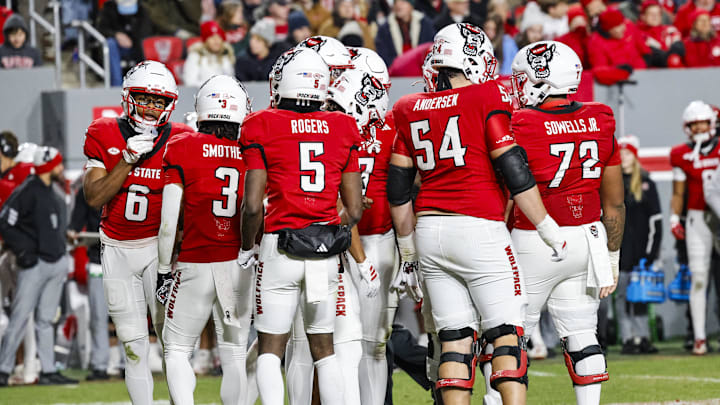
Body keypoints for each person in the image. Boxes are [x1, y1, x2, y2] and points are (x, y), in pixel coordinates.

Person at [390, 23, 567, 405]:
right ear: (475, 60)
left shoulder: (408, 107)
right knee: (507, 335)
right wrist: (547, 226)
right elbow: (513, 168)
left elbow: (399, 189)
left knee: (454, 340)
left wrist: (407, 254)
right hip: (478, 227)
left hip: (429, 232)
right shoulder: (486, 95)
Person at [238, 46, 364, 405]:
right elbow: (354, 209)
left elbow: (251, 206)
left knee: (270, 349)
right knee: (324, 350)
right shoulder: (343, 125)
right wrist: (323, 228)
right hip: (325, 252)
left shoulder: (261, 123)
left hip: (279, 248)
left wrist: (247, 246)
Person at [509, 41, 623, 405]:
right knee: (582, 334)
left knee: (508, 337)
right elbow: (616, 203)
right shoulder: (601, 118)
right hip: (588, 238)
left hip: (535, 238)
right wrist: (613, 256)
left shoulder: (521, 123)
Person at [82, 60, 192, 403]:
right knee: (133, 348)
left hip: (160, 253)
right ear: (128, 97)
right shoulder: (103, 131)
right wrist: (126, 159)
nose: (150, 107)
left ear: (170, 104)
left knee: (173, 345)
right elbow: (94, 197)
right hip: (116, 248)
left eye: (159, 101)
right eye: (144, 98)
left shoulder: (181, 138)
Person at [158, 75, 253, 404]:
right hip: (237, 263)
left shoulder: (183, 147)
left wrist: (161, 266)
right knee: (234, 353)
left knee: (177, 349)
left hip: (195, 262)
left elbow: (169, 218)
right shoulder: (248, 149)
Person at [0, 146, 76, 387]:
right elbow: (5, 221)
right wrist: (24, 251)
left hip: (55, 261)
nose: (61, 167)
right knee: (20, 317)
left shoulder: (51, 190)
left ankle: (49, 370)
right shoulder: (26, 191)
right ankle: (3, 369)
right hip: (34, 264)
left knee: (45, 320)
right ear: (47, 165)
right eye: (57, 163)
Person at [669, 100, 719, 356]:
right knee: (698, 278)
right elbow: (678, 191)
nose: (699, 128)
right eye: (694, 123)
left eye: (702, 122)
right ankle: (700, 337)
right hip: (697, 217)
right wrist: (674, 217)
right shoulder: (680, 154)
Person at [614, 135, 662, 355]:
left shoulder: (646, 183)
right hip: (621, 252)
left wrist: (651, 253)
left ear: (634, 156)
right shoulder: (612, 183)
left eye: (627, 153)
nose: (624, 158)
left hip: (642, 253)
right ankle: (627, 338)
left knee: (641, 296)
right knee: (623, 295)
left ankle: (642, 337)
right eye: (620, 153)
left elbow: (655, 221)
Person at [67, 181, 110, 380]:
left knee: (128, 317)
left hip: (126, 261)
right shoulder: (86, 191)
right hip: (97, 261)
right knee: (99, 317)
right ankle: (101, 364)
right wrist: (73, 233)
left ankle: (130, 363)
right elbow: (75, 226)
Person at [96, 0, 153, 86]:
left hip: (136, 47)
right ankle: (116, 85)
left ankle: (144, 83)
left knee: (146, 44)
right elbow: (101, 29)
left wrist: (133, 39)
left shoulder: (142, 10)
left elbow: (146, 32)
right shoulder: (108, 8)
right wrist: (116, 35)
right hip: (116, 48)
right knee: (110, 44)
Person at [375, 0, 436, 67]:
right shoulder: (384, 29)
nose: (398, 5)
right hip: (396, 73)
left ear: (411, 6)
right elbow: (384, 56)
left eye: (403, 2)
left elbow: (430, 49)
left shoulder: (425, 24)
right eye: (396, 2)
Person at [183, 21, 235, 87]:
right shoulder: (196, 55)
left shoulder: (225, 55)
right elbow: (189, 82)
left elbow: (232, 80)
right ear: (206, 40)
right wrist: (214, 86)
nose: (216, 41)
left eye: (219, 37)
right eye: (212, 37)